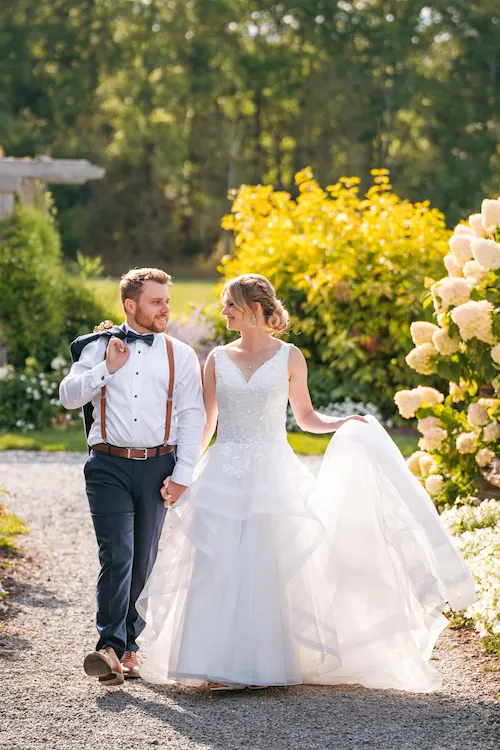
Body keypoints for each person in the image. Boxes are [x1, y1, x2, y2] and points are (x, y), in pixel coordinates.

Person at [136, 273, 476, 693]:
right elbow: (207, 423)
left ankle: (262, 662)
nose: (223, 312)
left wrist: (342, 423)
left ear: (254, 310)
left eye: (230, 305)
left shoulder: (290, 357)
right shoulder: (217, 359)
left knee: (266, 563)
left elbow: (306, 417)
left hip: (272, 471)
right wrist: (185, 474)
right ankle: (212, 661)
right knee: (217, 562)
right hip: (223, 468)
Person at [59, 268, 205, 685]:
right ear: (130, 305)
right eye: (156, 301)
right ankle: (108, 645)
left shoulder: (181, 354)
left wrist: (183, 474)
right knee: (117, 554)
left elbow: (192, 416)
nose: (165, 309)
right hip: (107, 465)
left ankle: (129, 646)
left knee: (144, 560)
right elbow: (69, 397)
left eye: (166, 301)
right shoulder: (98, 347)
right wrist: (107, 367)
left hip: (159, 466)